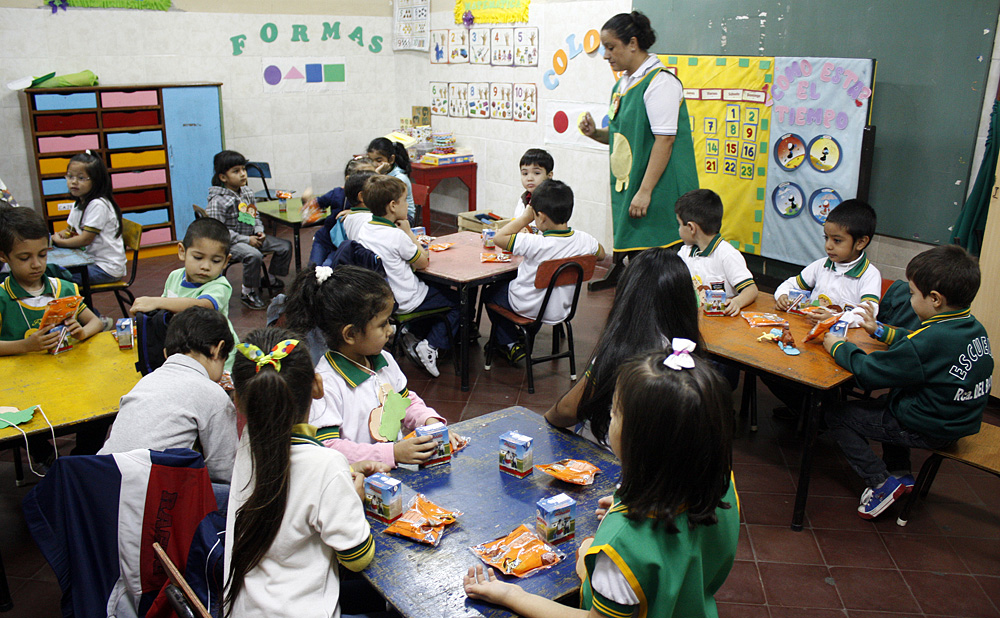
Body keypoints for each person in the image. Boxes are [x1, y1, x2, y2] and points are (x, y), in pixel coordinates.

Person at [464, 347, 740, 618]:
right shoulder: (721, 482)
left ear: (640, 442)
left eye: (615, 412)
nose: (609, 416)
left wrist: (514, 595)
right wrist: (629, 503)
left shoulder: (620, 548)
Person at [224, 327, 385, 617]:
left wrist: (338, 477)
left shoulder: (250, 441)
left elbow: (294, 482)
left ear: (240, 400)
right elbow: (358, 558)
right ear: (318, 386)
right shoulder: (326, 466)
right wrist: (353, 498)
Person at [822, 245, 993, 519]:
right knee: (889, 402)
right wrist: (879, 330)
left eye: (913, 294)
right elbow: (919, 345)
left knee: (837, 415)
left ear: (935, 299)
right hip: (959, 420)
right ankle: (900, 472)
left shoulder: (931, 339)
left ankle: (880, 482)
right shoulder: (969, 326)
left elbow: (870, 372)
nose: (910, 299)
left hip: (929, 427)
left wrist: (837, 347)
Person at [285, 264, 456, 468]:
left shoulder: (384, 360)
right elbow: (328, 447)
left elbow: (404, 401)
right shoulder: (326, 384)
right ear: (350, 334)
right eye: (382, 324)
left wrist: (428, 421)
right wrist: (391, 453)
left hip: (389, 477)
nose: (390, 330)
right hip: (357, 485)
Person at [579, 11, 699, 291]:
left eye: (611, 47)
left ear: (632, 43)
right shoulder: (624, 83)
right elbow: (627, 137)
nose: (606, 56)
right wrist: (595, 132)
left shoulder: (660, 82)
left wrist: (645, 191)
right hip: (632, 182)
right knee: (639, 255)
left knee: (658, 258)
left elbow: (664, 140)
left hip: (659, 185)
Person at [545, 248, 701, 447]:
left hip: (611, 456)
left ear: (628, 294)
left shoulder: (624, 349)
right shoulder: (685, 353)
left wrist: (547, 419)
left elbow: (568, 409)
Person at [0, 204, 107, 466]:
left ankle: (81, 457)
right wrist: (26, 345)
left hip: (68, 376)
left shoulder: (62, 287)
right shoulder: (3, 297)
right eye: (24, 258)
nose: (36, 265)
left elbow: (96, 322)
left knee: (103, 408)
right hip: (22, 384)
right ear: (4, 256)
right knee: (19, 414)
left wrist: (82, 332)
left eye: (43, 255)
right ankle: (44, 455)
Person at [99, 306, 237, 501]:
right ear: (217, 349)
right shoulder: (214, 394)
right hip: (147, 498)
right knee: (241, 499)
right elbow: (224, 472)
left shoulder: (146, 381)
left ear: (166, 353)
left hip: (100, 479)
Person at [767, 199, 882, 417]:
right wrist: (781, 295)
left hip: (841, 346)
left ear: (861, 242)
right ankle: (805, 410)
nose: (828, 245)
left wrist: (836, 318)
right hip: (810, 340)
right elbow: (790, 284)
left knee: (821, 379)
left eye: (837, 240)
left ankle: (818, 415)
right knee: (772, 368)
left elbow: (868, 313)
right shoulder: (821, 266)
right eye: (826, 238)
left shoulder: (869, 275)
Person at [485, 180, 604, 363]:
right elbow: (602, 254)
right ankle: (522, 339)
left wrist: (525, 218)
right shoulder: (585, 241)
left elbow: (499, 238)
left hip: (528, 307)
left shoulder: (534, 243)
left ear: (540, 217)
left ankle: (510, 343)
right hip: (561, 310)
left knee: (490, 292)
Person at [356, 175, 459, 377]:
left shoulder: (365, 229)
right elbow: (423, 261)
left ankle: (414, 332)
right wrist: (410, 234)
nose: (407, 205)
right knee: (457, 300)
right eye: (404, 201)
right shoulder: (396, 236)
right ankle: (430, 346)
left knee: (436, 290)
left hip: (383, 297)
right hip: (406, 299)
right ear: (393, 206)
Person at [130, 217, 240, 372]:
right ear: (182, 252)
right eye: (198, 257)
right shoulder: (175, 276)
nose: (205, 266)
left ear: (225, 262)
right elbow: (165, 308)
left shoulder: (219, 286)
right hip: (188, 350)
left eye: (215, 261)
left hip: (216, 357)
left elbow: (202, 307)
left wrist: (156, 302)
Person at [206, 149, 292, 310]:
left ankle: (269, 279)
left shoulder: (246, 192)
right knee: (253, 255)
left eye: (243, 169)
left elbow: (254, 214)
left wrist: (259, 230)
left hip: (251, 236)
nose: (243, 174)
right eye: (236, 171)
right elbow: (218, 232)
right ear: (223, 177)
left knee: (284, 246)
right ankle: (248, 292)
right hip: (229, 243)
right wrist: (247, 240)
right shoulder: (218, 201)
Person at [676, 189, 758, 316]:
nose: (679, 230)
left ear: (691, 228)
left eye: (680, 225)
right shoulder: (684, 253)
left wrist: (737, 302)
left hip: (721, 325)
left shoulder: (727, 254)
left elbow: (751, 290)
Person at [51, 152, 126, 286]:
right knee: (53, 272)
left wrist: (59, 243)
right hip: (89, 261)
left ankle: (81, 307)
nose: (74, 182)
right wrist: (58, 237)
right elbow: (69, 231)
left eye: (81, 178)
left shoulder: (97, 205)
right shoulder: (79, 202)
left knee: (58, 280)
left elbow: (85, 239)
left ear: (95, 181)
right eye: (70, 176)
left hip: (106, 269)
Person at [310, 169, 378, 267]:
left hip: (339, 247)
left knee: (328, 266)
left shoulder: (362, 213)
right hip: (325, 240)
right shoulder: (337, 194)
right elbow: (316, 203)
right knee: (316, 268)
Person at [367, 137, 416, 222]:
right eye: (370, 160)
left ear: (391, 159)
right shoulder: (381, 173)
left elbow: (379, 199)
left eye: (379, 160)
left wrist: (376, 175)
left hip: (404, 217)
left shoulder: (399, 178)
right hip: (386, 212)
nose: (374, 164)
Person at [513, 148, 554, 221]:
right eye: (525, 173)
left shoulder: (551, 201)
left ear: (549, 175)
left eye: (536, 173)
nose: (529, 178)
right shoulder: (525, 198)